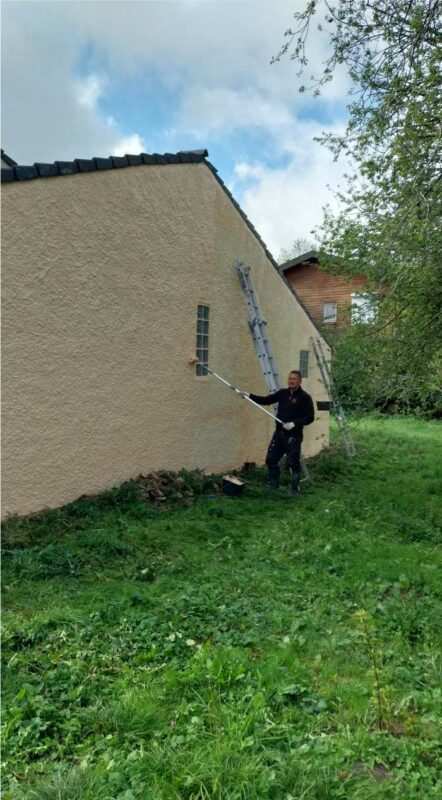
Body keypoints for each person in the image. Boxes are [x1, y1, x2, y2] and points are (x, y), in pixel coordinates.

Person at [240, 371, 314, 496]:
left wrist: (294, 424)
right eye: (290, 378)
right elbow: (266, 400)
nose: (291, 381)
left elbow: (310, 417)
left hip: (293, 436)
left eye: (294, 379)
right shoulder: (282, 393)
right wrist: (249, 395)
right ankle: (273, 485)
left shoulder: (304, 397)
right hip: (279, 434)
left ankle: (294, 490)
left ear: (300, 381)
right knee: (271, 460)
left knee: (293, 463)